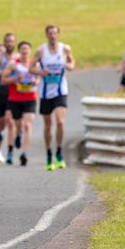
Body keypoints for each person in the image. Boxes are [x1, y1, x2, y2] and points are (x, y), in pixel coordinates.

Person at [36, 24, 77, 170]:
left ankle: (59, 152)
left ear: (58, 35)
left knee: (60, 122)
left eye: (55, 33)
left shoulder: (65, 48)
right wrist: (40, 72)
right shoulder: (41, 50)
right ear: (46, 35)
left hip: (61, 91)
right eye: (50, 33)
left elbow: (72, 62)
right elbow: (30, 67)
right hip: (45, 92)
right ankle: (48, 154)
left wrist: (70, 66)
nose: (52, 36)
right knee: (48, 126)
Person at [0, 41, 39, 165]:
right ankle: (14, 143)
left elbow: (39, 76)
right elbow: (3, 80)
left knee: (28, 125)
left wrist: (36, 82)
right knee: (16, 126)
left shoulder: (34, 64)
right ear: (19, 51)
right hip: (15, 99)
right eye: (22, 49)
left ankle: (24, 153)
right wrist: (15, 79)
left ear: (30, 51)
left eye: (27, 49)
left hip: (30, 97)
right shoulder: (13, 65)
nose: (25, 51)